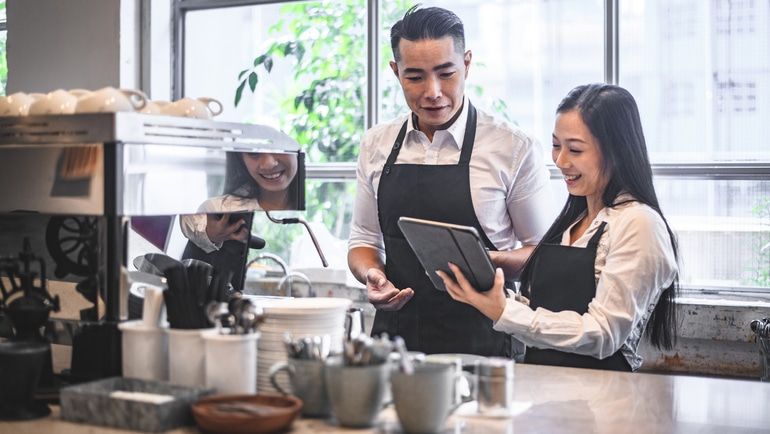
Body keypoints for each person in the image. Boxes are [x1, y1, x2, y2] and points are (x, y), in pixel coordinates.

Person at [347, 6, 553, 356]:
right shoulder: (376, 144)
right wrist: (372, 276)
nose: (433, 92)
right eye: (415, 77)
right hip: (395, 347)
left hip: (484, 347)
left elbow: (544, 256)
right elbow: (364, 241)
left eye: (446, 73)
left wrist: (485, 259)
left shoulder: (512, 148)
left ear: (467, 64)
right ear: (396, 72)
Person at [437, 83, 679, 371]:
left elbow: (604, 333)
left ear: (617, 151)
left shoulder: (639, 223)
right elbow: (546, 311)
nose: (561, 161)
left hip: (602, 402)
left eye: (575, 149)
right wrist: (494, 293)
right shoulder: (573, 223)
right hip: (547, 392)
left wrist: (505, 312)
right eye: (556, 145)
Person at [180, 151, 300, 291]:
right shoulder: (220, 205)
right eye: (253, 153)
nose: (268, 164)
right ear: (241, 160)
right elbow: (190, 219)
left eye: (279, 150)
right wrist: (207, 233)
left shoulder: (297, 201)